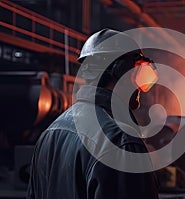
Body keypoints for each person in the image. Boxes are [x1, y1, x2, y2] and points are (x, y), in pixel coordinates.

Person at [27, 28, 159, 199]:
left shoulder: (50, 133)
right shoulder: (121, 141)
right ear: (121, 70)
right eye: (139, 72)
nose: (142, 87)